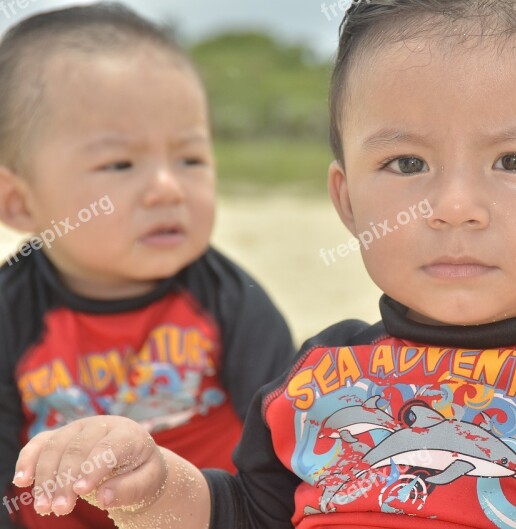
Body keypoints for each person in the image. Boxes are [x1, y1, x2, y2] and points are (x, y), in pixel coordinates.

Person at [11, 1, 516, 528]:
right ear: (347, 199)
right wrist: (155, 486)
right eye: (406, 162)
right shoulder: (318, 377)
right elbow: (250, 511)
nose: (454, 204)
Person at [0, 4, 295, 528]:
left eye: (191, 159)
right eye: (120, 164)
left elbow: (286, 448)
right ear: (19, 202)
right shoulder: (10, 312)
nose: (168, 188)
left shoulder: (232, 298)